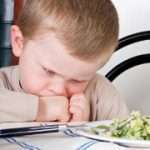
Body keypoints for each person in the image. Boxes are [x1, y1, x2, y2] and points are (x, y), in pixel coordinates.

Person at [0, 0, 129, 122]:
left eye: (77, 80)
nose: (59, 90)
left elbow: (129, 138)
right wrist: (43, 109)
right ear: (19, 43)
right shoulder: (3, 81)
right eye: (49, 71)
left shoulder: (102, 95)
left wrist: (86, 129)